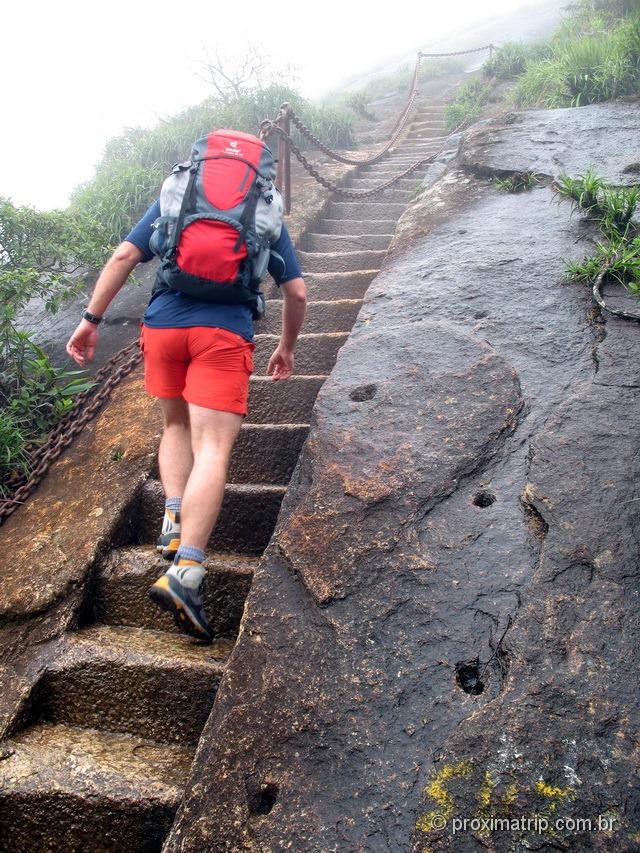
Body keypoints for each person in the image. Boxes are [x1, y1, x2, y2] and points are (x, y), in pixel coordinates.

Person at [66, 189, 306, 643]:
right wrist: (287, 347)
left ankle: (174, 519)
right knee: (212, 448)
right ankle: (187, 571)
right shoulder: (265, 209)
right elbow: (296, 292)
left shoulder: (179, 197)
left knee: (174, 424)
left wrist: (91, 319)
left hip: (163, 328)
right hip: (223, 334)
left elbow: (123, 255)